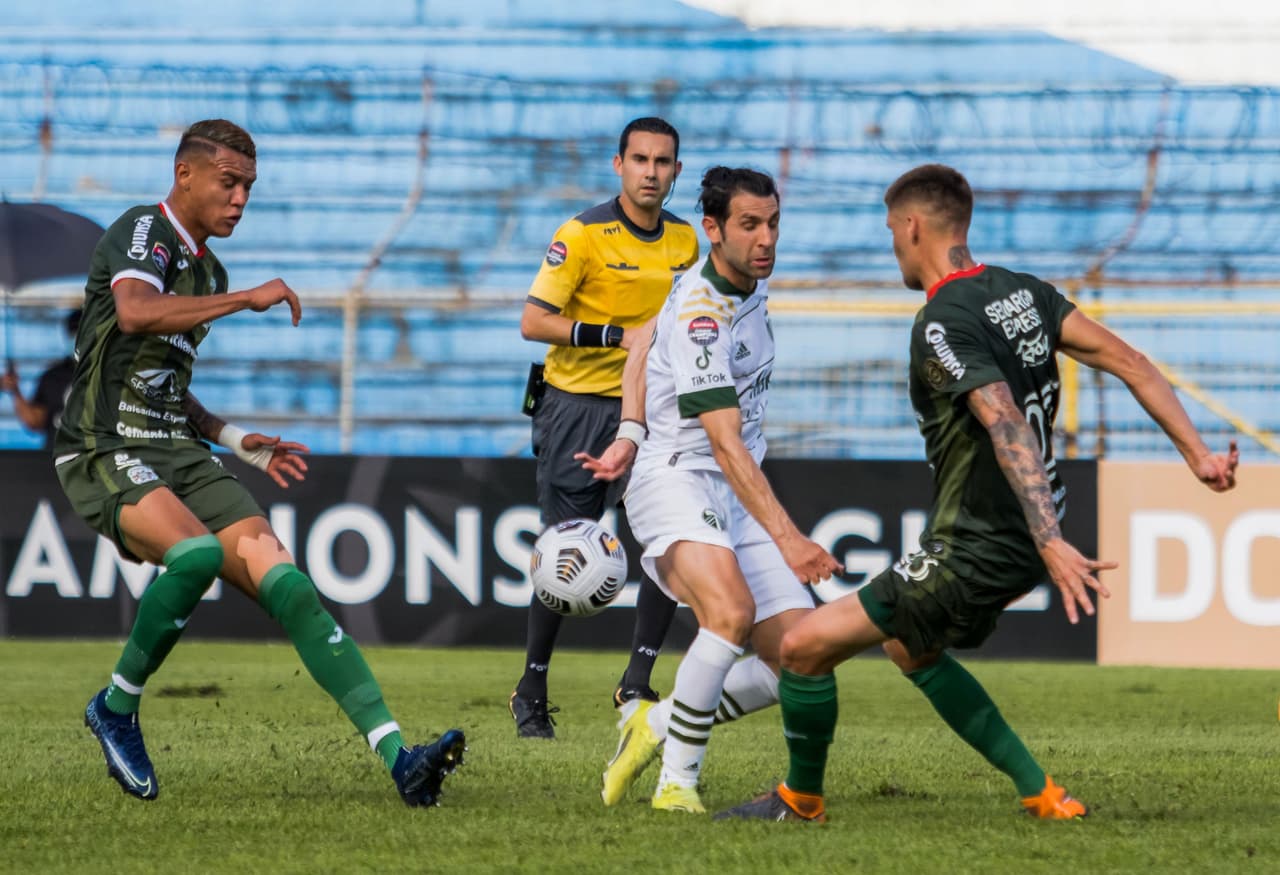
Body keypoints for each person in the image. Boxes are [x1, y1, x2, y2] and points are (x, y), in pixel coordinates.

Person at [716, 163, 1240, 824]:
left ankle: (800, 800)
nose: (891, 245)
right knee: (911, 647)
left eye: (890, 231)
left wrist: (1049, 542)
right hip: (1025, 526)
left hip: (980, 542)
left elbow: (1005, 421)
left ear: (911, 228)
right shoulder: (1023, 292)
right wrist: (1197, 454)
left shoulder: (940, 320)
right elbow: (1130, 361)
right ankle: (1044, 794)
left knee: (802, 648)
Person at [57, 119, 465, 806]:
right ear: (185, 174)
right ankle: (116, 706)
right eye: (229, 181)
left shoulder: (207, 269)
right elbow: (133, 313)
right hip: (106, 444)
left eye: (249, 185)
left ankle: (401, 758)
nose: (241, 197)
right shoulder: (144, 231)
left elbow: (167, 382)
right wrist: (247, 299)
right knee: (193, 558)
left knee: (291, 588)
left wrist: (235, 435)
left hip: (179, 452)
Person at [580, 166, 841, 814]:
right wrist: (790, 537)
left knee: (801, 660)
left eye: (773, 223)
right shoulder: (703, 311)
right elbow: (722, 440)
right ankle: (677, 785)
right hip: (677, 474)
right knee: (728, 612)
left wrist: (627, 426)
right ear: (713, 228)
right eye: (750, 224)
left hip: (733, 485)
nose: (766, 238)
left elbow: (640, 345)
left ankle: (657, 723)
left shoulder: (740, 287)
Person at [511, 117, 700, 739]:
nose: (651, 171)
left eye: (663, 161)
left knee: (668, 543)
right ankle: (531, 687)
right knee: (566, 550)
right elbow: (534, 322)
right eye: (640, 159)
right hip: (578, 407)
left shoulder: (684, 241)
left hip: (655, 412)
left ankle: (637, 683)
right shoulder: (582, 234)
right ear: (618, 164)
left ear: (676, 169)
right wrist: (616, 336)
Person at [1, 308, 80, 448]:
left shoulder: (105, 374)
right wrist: (15, 391)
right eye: (72, 333)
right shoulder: (53, 376)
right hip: (55, 459)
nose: (76, 339)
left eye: (81, 334)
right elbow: (35, 421)